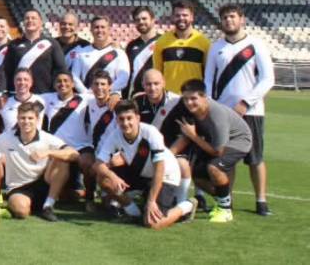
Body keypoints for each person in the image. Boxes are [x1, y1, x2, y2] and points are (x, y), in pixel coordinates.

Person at [204, 3, 274, 216]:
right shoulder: (216, 47)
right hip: (224, 114)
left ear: (242, 19)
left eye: (232, 17)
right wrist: (210, 106)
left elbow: (267, 79)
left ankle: (261, 200)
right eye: (225, 17)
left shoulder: (256, 45)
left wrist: (246, 102)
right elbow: (208, 79)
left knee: (255, 158)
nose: (228, 21)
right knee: (226, 159)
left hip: (251, 112)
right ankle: (228, 199)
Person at [93, 100, 193, 229]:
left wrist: (152, 201)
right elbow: (98, 164)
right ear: (117, 120)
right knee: (104, 179)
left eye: (129, 118)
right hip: (141, 173)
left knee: (153, 224)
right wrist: (113, 177)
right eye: (121, 119)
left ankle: (187, 205)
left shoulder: (150, 132)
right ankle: (134, 212)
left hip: (165, 175)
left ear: (137, 118)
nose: (125, 123)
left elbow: (159, 168)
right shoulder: (115, 135)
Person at [172, 79, 253, 223]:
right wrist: (167, 156)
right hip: (212, 142)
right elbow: (185, 136)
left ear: (204, 97)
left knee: (214, 167)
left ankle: (225, 210)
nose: (189, 103)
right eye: (185, 99)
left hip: (239, 141)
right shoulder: (190, 110)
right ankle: (224, 201)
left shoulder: (217, 114)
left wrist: (194, 136)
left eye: (193, 98)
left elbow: (218, 152)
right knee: (195, 174)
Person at [0, 101, 77, 222]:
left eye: (30, 118)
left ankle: (48, 206)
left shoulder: (46, 137)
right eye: (23, 118)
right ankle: (16, 205)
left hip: (44, 182)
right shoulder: (6, 138)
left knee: (62, 159)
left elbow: (74, 154)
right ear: (17, 119)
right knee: (21, 211)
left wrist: (48, 152)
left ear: (37, 119)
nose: (26, 122)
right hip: (19, 187)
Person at [79, 71, 119, 212]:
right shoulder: (87, 102)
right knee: (85, 161)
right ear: (91, 87)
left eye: (103, 84)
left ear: (110, 87)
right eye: (96, 84)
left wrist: (117, 94)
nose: (99, 87)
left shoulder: (117, 105)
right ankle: (89, 197)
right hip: (94, 149)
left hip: (114, 153)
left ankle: (113, 195)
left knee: (109, 205)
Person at [3, 9, 67, 96]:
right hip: (20, 95)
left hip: (46, 94)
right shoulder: (14, 44)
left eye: (33, 18)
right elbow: (6, 70)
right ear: (23, 22)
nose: (30, 20)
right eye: (27, 18)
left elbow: (61, 69)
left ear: (40, 22)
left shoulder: (51, 43)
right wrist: (4, 92)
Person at [154, 0, 210, 94]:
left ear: (192, 17)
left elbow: (208, 75)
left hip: (194, 97)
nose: (181, 18)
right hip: (169, 98)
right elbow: (157, 73)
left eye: (185, 15)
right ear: (172, 17)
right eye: (177, 15)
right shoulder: (161, 42)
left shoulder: (204, 42)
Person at [71, 16, 130, 95]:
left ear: (109, 30)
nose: (99, 30)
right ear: (91, 30)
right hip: (87, 97)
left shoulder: (119, 53)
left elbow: (123, 79)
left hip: (111, 98)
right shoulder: (81, 52)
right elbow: (74, 76)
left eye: (103, 27)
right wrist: (86, 93)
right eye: (96, 27)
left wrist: (106, 91)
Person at [126, 6, 161, 97]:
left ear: (153, 20)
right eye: (137, 20)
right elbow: (128, 73)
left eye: (144, 18)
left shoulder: (163, 42)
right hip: (136, 96)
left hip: (157, 95)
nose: (141, 22)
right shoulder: (131, 46)